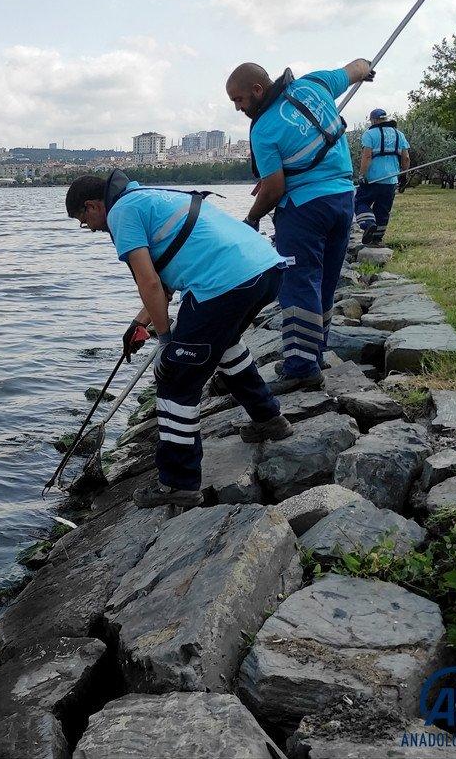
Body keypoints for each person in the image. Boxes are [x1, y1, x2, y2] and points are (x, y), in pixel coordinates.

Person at [65, 171, 292, 509]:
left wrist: (167, 341)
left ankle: (178, 483)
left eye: (85, 221)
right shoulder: (149, 197)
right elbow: (164, 277)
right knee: (224, 344)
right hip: (263, 270)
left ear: (93, 205)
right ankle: (269, 419)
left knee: (174, 378)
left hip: (226, 284)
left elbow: (150, 284)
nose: (93, 229)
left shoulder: (120, 213)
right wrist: (139, 324)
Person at [225, 58, 375, 389]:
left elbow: (274, 188)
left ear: (257, 90)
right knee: (324, 282)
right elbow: (356, 69)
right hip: (340, 202)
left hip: (303, 211)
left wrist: (252, 217)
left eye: (239, 100)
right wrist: (367, 68)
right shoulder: (314, 84)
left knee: (298, 283)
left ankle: (300, 365)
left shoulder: (263, 130)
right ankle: (315, 352)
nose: (238, 108)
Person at [354, 108, 410, 246]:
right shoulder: (399, 134)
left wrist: (362, 175)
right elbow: (406, 158)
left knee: (360, 202)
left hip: (373, 178)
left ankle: (368, 224)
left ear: (373, 120)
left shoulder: (369, 134)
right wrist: (404, 174)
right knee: (383, 209)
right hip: (391, 179)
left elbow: (367, 156)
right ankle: (377, 240)